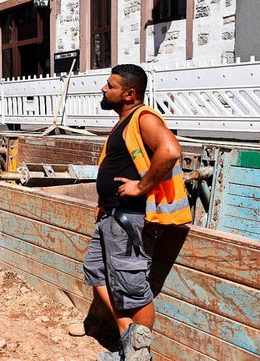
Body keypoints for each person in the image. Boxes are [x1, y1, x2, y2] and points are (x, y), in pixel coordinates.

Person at [83, 64, 191, 361]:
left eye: (111, 85)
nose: (104, 89)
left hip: (129, 219)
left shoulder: (143, 117)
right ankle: (130, 342)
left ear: (129, 93)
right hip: (111, 216)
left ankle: (138, 354)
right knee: (95, 271)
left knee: (132, 287)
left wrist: (141, 187)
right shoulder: (124, 122)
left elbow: (169, 150)